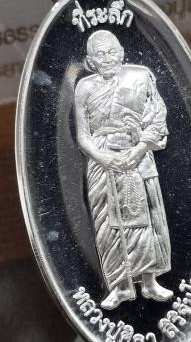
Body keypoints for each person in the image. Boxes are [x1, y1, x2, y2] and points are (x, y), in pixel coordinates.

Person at [74, 29, 173, 310]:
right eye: (100, 55)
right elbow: (83, 137)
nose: (107, 59)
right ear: (91, 61)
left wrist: (138, 150)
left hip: (137, 151)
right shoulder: (84, 88)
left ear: (121, 53)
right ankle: (120, 287)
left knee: (146, 218)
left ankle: (150, 282)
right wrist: (105, 160)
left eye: (112, 52)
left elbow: (157, 119)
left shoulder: (140, 77)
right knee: (109, 224)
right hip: (102, 160)